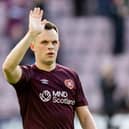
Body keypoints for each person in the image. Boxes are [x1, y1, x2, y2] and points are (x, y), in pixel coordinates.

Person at [2, 7, 97, 129]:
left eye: (54, 42)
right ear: (33, 46)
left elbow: (85, 117)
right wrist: (31, 34)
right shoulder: (28, 75)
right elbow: (8, 68)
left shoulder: (71, 76)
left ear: (59, 45)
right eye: (44, 42)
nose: (50, 46)